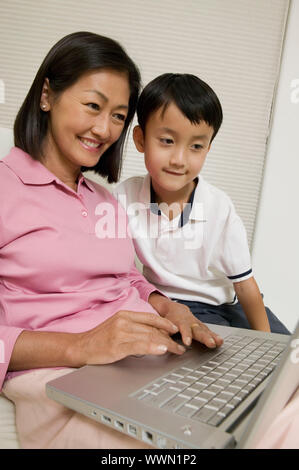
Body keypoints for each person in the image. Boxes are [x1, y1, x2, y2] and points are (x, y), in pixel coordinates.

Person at [0, 34, 223, 449]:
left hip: (152, 353)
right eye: (93, 106)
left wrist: (167, 306)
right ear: (47, 95)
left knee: (274, 408)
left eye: (118, 116)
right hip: (67, 378)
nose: (104, 129)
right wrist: (83, 346)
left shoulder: (104, 198)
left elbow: (126, 278)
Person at [113, 73, 289, 335]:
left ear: (208, 148)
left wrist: (263, 340)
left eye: (196, 146)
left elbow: (244, 285)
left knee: (284, 353)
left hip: (228, 302)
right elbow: (115, 269)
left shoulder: (218, 207)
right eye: (167, 141)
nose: (179, 159)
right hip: (173, 304)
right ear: (140, 139)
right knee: (212, 352)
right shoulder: (125, 196)